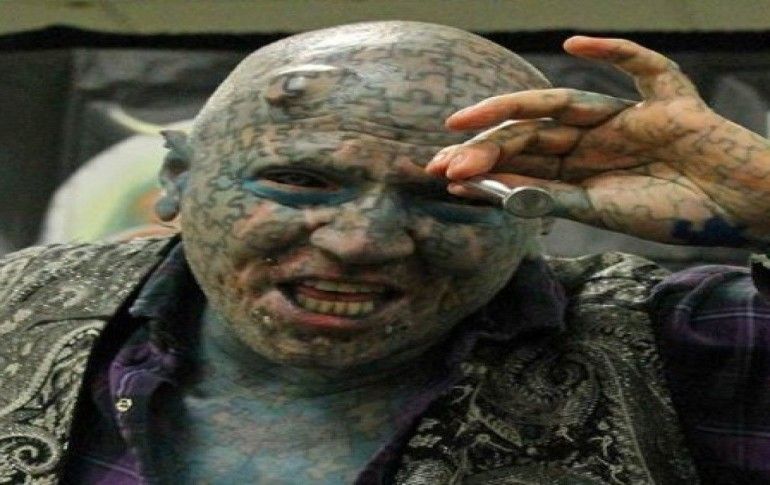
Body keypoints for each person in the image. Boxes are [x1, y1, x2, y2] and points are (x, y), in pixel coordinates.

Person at [0, 21, 767, 484]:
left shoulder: (674, 345)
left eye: (453, 194)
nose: (361, 242)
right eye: (300, 181)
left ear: (537, 215)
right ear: (177, 179)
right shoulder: (16, 310)